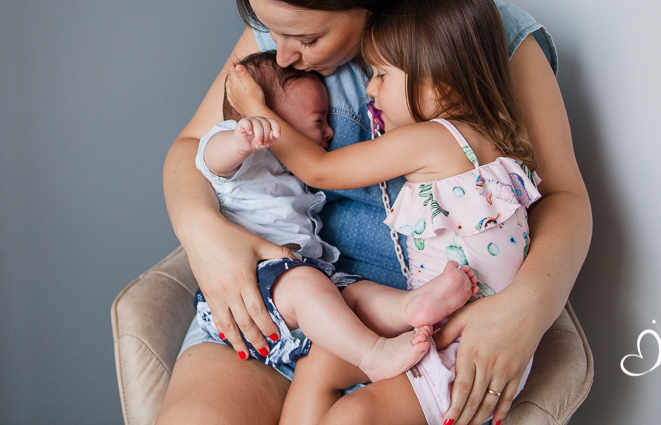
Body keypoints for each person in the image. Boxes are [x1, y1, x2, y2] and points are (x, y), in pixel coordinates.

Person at [158, 0, 590, 425]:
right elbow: (193, 148)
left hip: (416, 320)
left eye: (307, 40)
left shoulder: (485, 36)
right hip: (288, 300)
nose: (283, 56)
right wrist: (202, 231)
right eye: (272, 34)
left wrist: (527, 306)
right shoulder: (284, 29)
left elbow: (563, 196)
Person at [226, 0, 541, 425]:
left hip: (463, 355)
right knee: (323, 362)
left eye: (381, 74)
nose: (370, 90)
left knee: (355, 414)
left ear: (441, 87)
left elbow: (320, 170)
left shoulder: (433, 140)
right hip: (463, 328)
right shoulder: (499, 136)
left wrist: (259, 109)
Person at [194, 51, 478, 383]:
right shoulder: (242, 157)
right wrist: (239, 139)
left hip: (301, 281)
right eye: (319, 120)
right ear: (272, 118)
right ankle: (373, 355)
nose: (329, 132)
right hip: (249, 290)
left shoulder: (287, 173)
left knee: (353, 293)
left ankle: (411, 307)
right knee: (307, 286)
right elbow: (209, 160)